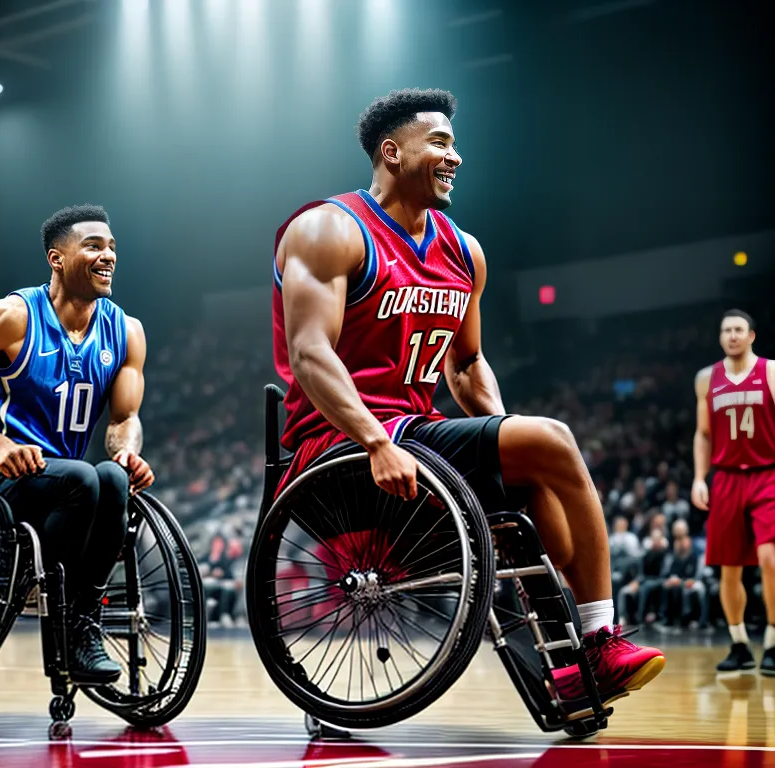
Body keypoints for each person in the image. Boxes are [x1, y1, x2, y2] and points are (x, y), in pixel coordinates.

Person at [272, 88, 664, 708]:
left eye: (455, 144)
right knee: (553, 439)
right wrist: (374, 439)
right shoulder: (327, 230)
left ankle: (573, 659)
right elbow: (309, 354)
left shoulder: (463, 251)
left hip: (419, 440)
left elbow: (468, 365)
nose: (456, 157)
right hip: (340, 448)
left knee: (534, 478)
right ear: (392, 151)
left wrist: (505, 436)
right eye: (441, 142)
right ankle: (601, 636)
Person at [0, 204, 154, 683]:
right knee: (82, 477)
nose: (108, 255)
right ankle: (35, 585)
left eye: (112, 247)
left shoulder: (127, 331)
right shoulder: (10, 318)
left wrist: (127, 450)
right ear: (57, 258)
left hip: (71, 486)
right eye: (93, 245)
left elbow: (124, 417)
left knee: (111, 475)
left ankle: (80, 621)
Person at [691, 309, 775, 674]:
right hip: (725, 477)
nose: (732, 335)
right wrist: (699, 478)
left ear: (752, 335)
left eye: (739, 329)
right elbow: (703, 434)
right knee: (730, 568)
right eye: (726, 330)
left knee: (770, 559)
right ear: (721, 336)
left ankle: (772, 641)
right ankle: (739, 643)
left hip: (767, 473)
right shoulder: (706, 379)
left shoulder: (771, 371)